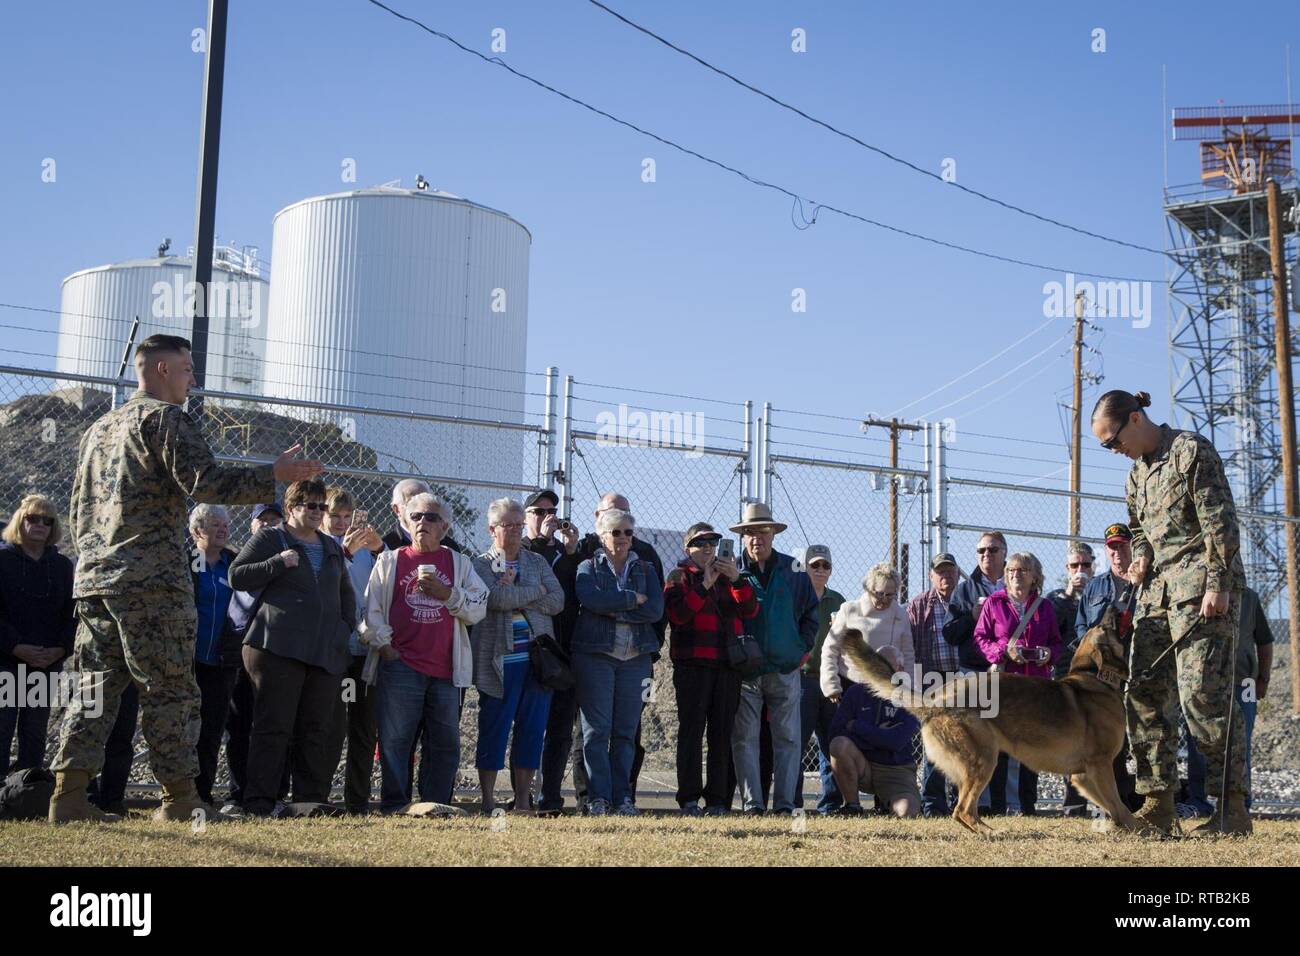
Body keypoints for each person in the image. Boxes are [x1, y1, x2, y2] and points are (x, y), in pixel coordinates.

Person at [49, 333, 320, 824]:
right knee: (171, 688)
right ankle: (179, 799)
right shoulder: (165, 418)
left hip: (95, 580)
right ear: (159, 371)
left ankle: (67, 798)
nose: (194, 379)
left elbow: (78, 508)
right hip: (149, 581)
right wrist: (272, 473)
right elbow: (205, 483)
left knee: (94, 688)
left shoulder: (99, 429)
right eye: (188, 369)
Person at [1094, 389, 1250, 836]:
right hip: (1157, 596)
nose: (1114, 450)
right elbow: (1139, 530)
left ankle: (1232, 809)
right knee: (1142, 692)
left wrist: (1219, 583)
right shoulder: (1135, 476)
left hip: (1201, 590)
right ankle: (1157, 804)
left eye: (1113, 441)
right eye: (1106, 446)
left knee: (1204, 694)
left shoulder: (1189, 451)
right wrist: (1140, 556)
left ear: (1136, 419)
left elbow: (1220, 519)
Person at [228, 479, 355, 816]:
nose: (317, 512)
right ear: (291, 508)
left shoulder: (330, 546)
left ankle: (309, 802)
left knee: (316, 728)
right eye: (310, 506)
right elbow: (236, 575)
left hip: (324, 651)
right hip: (275, 647)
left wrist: (343, 630)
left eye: (321, 507)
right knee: (274, 726)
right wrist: (276, 564)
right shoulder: (271, 537)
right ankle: (259, 801)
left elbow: (345, 594)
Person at [361, 494, 487, 812]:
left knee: (444, 743)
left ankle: (436, 805)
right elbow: (369, 610)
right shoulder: (389, 561)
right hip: (400, 664)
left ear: (444, 526)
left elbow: (479, 607)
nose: (422, 523)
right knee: (396, 740)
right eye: (415, 516)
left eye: (430, 518)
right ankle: (395, 804)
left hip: (446, 668)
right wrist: (385, 646)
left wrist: (447, 594)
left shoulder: (459, 563)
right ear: (406, 520)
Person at [471, 498, 565, 814]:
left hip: (538, 662)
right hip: (498, 660)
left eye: (517, 524)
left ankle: (524, 800)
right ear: (491, 529)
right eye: (507, 525)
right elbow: (494, 599)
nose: (513, 530)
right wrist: (534, 592)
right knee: (494, 728)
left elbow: (558, 601)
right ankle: (487, 800)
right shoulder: (480, 564)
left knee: (532, 730)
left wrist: (519, 594)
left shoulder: (536, 562)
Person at [572, 508, 664, 816]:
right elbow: (590, 600)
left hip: (636, 658)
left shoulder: (647, 569)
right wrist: (629, 600)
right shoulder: (587, 567)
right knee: (596, 731)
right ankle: (599, 798)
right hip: (596, 656)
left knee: (626, 731)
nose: (623, 538)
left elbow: (654, 610)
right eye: (616, 532)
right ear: (602, 535)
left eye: (628, 532)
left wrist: (612, 606)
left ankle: (623, 797)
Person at [729, 503, 818, 816]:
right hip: (746, 670)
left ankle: (784, 804)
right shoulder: (732, 570)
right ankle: (752, 805)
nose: (757, 538)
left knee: (789, 739)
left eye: (763, 531)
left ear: (773, 534)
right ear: (742, 537)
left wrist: (800, 652)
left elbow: (812, 615)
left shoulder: (794, 570)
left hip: (784, 668)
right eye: (750, 532)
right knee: (744, 738)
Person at [664, 522, 758, 815]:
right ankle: (689, 798)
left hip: (727, 666)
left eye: (712, 543)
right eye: (700, 543)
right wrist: (704, 583)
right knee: (691, 732)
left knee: (722, 733)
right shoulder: (679, 575)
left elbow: (751, 611)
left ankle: (718, 800)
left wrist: (737, 580)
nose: (707, 549)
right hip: (692, 665)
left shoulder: (730, 577)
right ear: (687, 548)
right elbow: (678, 615)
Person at [973, 551, 1059, 815]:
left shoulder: (1044, 607)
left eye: (1022, 570)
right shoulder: (994, 603)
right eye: (1010, 570)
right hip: (1004, 685)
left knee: (1032, 746)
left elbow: (1057, 642)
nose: (1015, 575)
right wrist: (1003, 651)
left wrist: (1048, 655)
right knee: (1000, 746)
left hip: (1036, 687)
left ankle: (1028, 807)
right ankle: (998, 806)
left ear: (1034, 576)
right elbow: (980, 637)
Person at [1068, 522, 1141, 816]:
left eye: (1122, 545)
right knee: (1105, 740)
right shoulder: (1095, 587)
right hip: (1103, 679)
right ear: (1106, 552)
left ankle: (1149, 800)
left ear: (1132, 547)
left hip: (1140, 673)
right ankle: (1113, 803)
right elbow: (1080, 628)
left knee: (1142, 735)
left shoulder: (1145, 582)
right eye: (1112, 547)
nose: (1117, 552)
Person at [0, 495, 75, 776]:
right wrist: (16, 647)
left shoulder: (62, 566)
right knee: (2, 727)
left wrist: (59, 650)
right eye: (33, 518)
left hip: (46, 662)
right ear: (20, 520)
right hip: (6, 660)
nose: (40, 524)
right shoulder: (3, 560)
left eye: (48, 520)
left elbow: (72, 614)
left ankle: (25, 793)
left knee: (34, 731)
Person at [1184, 584, 1273, 814]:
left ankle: (1240, 804)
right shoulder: (1194, 592)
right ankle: (1199, 802)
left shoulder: (1249, 598)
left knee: (1241, 743)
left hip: (1244, 683)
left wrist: (1263, 678)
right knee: (1199, 743)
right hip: (1204, 683)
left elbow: (1264, 640)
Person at [524, 489, 585, 816]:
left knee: (560, 730)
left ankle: (550, 798)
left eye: (551, 511)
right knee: (528, 726)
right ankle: (523, 796)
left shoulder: (568, 553)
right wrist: (540, 543)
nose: (546, 517)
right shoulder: (518, 549)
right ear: (525, 517)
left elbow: (574, 596)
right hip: (527, 649)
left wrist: (572, 550)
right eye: (537, 511)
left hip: (563, 652)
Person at [221, 501, 285, 812]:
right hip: (238, 650)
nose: (269, 524)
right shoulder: (237, 560)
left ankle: (272, 794)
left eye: (275, 519)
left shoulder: (291, 559)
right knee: (238, 725)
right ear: (252, 525)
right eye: (263, 520)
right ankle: (237, 793)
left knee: (273, 724)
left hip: (275, 652)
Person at [324, 487, 384, 814]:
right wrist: (345, 552)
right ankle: (318, 794)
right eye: (335, 516)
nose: (341, 522)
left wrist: (378, 548)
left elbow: (385, 577)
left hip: (363, 653)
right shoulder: (318, 545)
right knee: (331, 729)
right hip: (332, 654)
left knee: (363, 730)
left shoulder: (363, 550)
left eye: (347, 517)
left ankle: (357, 800)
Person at [827, 645, 922, 818]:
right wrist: (878, 734)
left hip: (896, 771)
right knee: (839, 745)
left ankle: (888, 806)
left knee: (907, 811)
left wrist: (856, 726)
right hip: (862, 763)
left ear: (900, 669)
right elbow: (835, 733)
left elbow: (896, 741)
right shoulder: (856, 692)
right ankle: (852, 807)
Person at [187, 504, 241, 807]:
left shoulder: (232, 563)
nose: (223, 529)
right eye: (214, 524)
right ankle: (180, 794)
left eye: (225, 525)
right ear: (198, 531)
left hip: (222, 661)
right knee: (185, 728)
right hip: (187, 660)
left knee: (211, 730)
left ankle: (203, 795)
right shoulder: (185, 562)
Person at [907, 552, 963, 817]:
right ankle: (933, 804)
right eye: (940, 571)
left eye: (950, 571)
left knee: (963, 743)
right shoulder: (919, 604)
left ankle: (960, 801)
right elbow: (911, 646)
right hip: (932, 680)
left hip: (962, 680)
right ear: (932, 576)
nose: (946, 576)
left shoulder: (966, 601)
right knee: (935, 743)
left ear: (957, 573)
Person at [796, 545, 846, 814]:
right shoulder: (796, 597)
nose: (820, 570)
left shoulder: (838, 601)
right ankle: (792, 803)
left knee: (831, 744)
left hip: (829, 681)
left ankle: (831, 803)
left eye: (825, 566)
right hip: (802, 679)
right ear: (805, 568)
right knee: (797, 743)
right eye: (815, 565)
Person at [823, 562, 916, 695]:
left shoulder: (901, 616)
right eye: (879, 594)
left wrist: (908, 689)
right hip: (850, 685)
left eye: (890, 595)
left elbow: (908, 655)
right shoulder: (849, 610)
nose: (884, 599)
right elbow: (830, 649)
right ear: (869, 589)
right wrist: (831, 685)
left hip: (887, 688)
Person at [941, 530, 1007, 671]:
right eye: (981, 550)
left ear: (1004, 553)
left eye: (993, 549)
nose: (986, 554)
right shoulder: (963, 591)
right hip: (975, 671)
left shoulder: (1019, 586)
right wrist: (972, 618)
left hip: (1012, 668)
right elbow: (950, 634)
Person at [1048, 543, 1095, 680]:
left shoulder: (1102, 594)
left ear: (1092, 567)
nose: (1080, 569)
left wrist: (1089, 593)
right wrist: (1068, 594)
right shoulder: (1055, 596)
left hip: (1093, 668)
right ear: (1068, 568)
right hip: (1063, 670)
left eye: (1086, 565)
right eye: (1074, 565)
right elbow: (1049, 626)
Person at [383, 478, 464, 554]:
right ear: (396, 509)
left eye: (425, 500)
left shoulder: (449, 547)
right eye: (411, 503)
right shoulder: (386, 548)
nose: (420, 508)